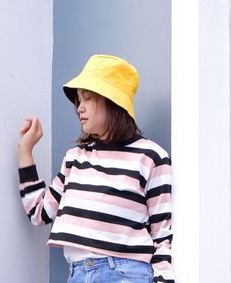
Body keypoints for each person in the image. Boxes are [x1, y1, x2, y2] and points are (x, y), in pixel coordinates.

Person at [17, 54, 175, 283]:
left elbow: (161, 236)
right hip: (78, 274)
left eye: (88, 98)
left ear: (113, 102)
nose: (79, 108)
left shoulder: (151, 157)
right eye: (78, 101)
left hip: (126, 274)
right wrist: (25, 151)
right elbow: (39, 213)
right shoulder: (74, 158)